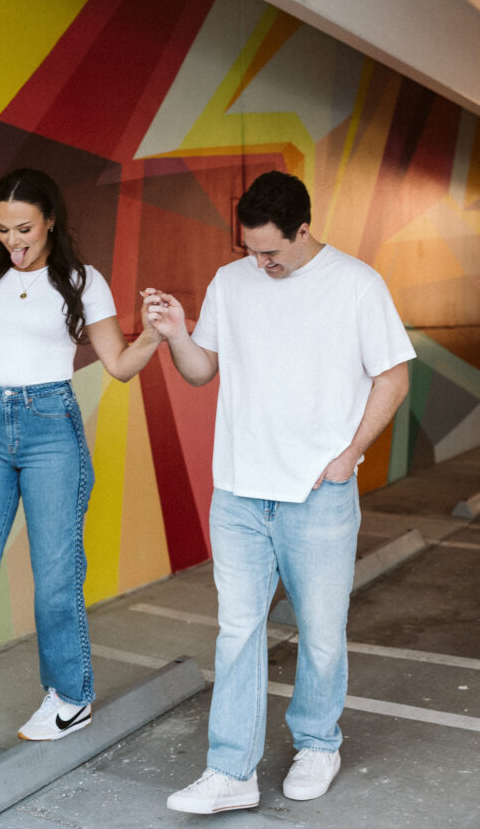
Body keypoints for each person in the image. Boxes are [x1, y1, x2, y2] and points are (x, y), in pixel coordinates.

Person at [144, 170, 415, 815]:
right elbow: (202, 371)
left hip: (317, 493)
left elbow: (393, 377)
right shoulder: (230, 281)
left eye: (272, 251)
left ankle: (318, 743)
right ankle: (230, 770)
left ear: (303, 229)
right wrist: (178, 333)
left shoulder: (357, 284)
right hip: (239, 491)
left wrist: (348, 457)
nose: (260, 263)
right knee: (237, 632)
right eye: (250, 249)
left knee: (321, 633)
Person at [0, 168, 162, 801]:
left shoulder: (81, 281)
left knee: (55, 578)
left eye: (23, 228)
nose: (13, 241)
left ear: (50, 220)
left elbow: (119, 365)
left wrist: (156, 334)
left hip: (51, 428)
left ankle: (71, 697)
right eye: (2, 230)